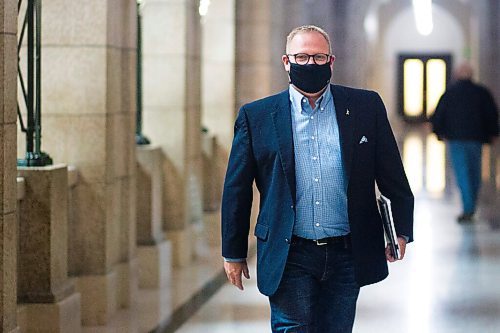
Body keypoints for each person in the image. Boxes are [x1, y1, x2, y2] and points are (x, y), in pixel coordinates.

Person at [221, 25, 414, 333]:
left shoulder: (365, 107)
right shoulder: (257, 116)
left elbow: (392, 174)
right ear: (286, 62)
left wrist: (400, 230)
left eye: (318, 57)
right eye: (301, 57)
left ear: (331, 61)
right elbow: (237, 189)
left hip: (347, 253)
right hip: (290, 252)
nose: (310, 64)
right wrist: (233, 251)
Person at [431, 62, 499, 222]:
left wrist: (439, 132)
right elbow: (491, 114)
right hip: (475, 139)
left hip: (456, 139)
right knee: (474, 172)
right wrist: (493, 133)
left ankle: (468, 207)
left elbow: (439, 114)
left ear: (456, 74)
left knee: (462, 173)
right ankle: (471, 205)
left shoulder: (450, 93)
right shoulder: (482, 92)